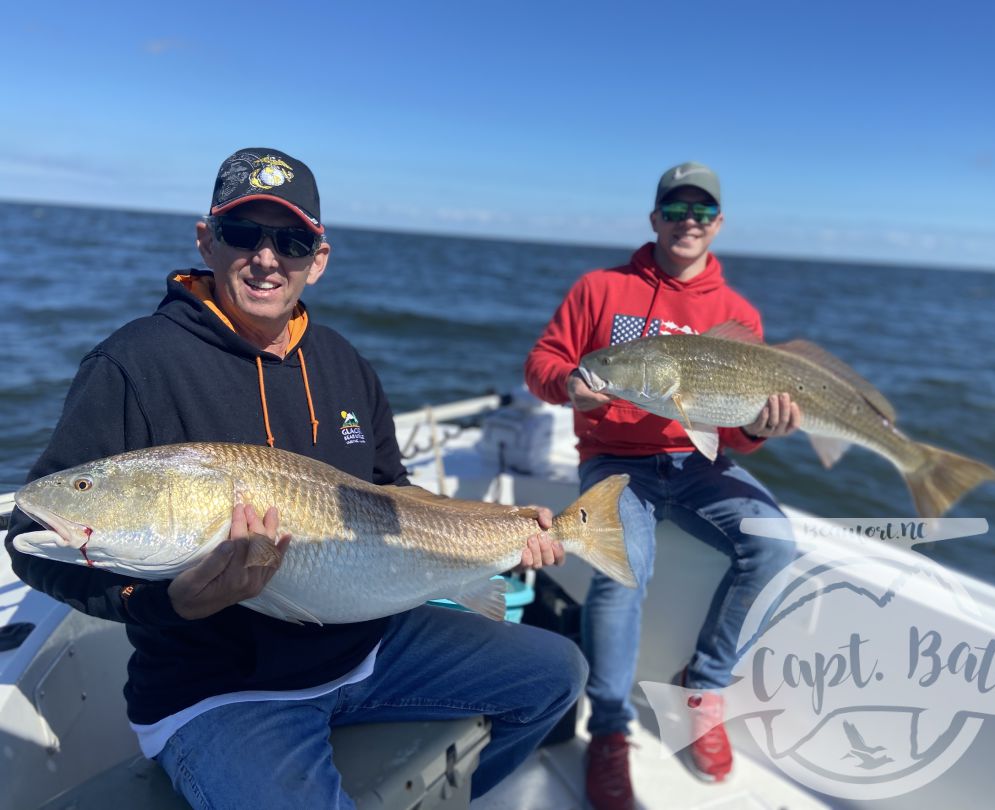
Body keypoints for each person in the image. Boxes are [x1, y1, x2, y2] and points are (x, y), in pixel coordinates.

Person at [5, 147, 586, 808]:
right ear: (207, 238)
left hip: (375, 646)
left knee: (557, 672)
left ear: (319, 257)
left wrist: (501, 534)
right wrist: (169, 603)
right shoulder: (133, 364)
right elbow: (29, 536)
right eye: (243, 232)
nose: (267, 256)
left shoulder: (344, 362)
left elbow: (394, 492)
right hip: (222, 689)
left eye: (292, 239)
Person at [524, 161, 800, 809]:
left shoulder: (738, 315)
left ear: (719, 225)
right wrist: (568, 386)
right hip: (616, 461)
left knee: (775, 543)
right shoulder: (599, 288)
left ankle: (702, 687)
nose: (688, 222)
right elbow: (543, 362)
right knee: (622, 571)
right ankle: (611, 731)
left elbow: (730, 436)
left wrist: (760, 428)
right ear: (654, 219)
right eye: (675, 210)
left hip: (698, 466)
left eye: (701, 212)